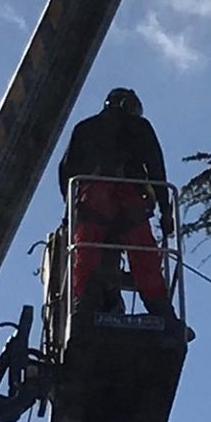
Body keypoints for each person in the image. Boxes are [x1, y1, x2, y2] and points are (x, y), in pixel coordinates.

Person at [58, 87, 176, 318]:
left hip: (92, 199)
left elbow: (66, 171)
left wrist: (70, 208)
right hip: (128, 199)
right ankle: (160, 309)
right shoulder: (140, 128)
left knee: (86, 253)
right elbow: (156, 171)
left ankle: (83, 305)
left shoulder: (84, 127)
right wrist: (165, 212)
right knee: (144, 255)